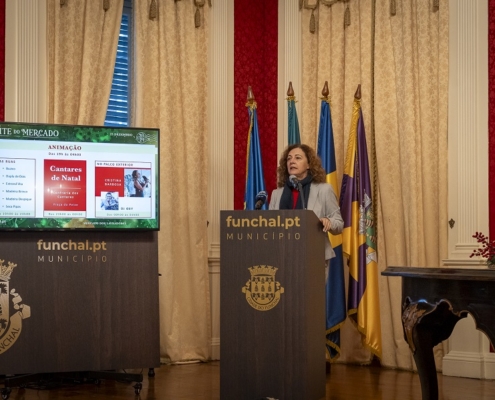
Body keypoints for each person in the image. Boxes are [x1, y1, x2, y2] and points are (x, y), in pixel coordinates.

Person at [269, 143, 343, 262]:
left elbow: (339, 224)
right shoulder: (276, 194)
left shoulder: (324, 190)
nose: (292, 161)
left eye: (297, 158)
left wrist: (329, 221)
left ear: (309, 164)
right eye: (289, 158)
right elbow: (270, 227)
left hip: (314, 256)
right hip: (282, 256)